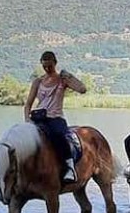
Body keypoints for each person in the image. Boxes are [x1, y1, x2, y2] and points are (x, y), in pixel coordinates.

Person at [24, 51, 87, 183]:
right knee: (25, 137)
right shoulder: (38, 81)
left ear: (55, 63)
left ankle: (70, 167)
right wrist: (27, 119)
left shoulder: (62, 80)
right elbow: (28, 104)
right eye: (44, 66)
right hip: (39, 117)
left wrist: (70, 77)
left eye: (50, 66)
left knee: (58, 134)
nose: (47, 69)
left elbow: (82, 89)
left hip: (56, 117)